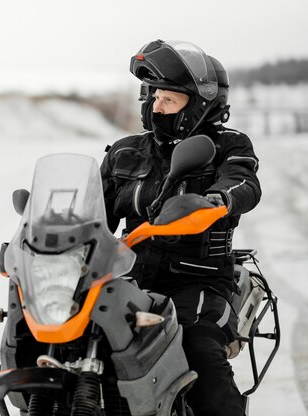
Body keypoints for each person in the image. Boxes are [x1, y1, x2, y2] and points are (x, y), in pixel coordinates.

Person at [100, 40, 261, 416]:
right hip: (132, 277)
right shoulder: (125, 151)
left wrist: (216, 201)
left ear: (199, 105)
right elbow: (92, 211)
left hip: (198, 280)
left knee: (198, 347)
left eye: (168, 100)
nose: (157, 106)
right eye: (154, 97)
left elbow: (244, 183)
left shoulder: (228, 145)